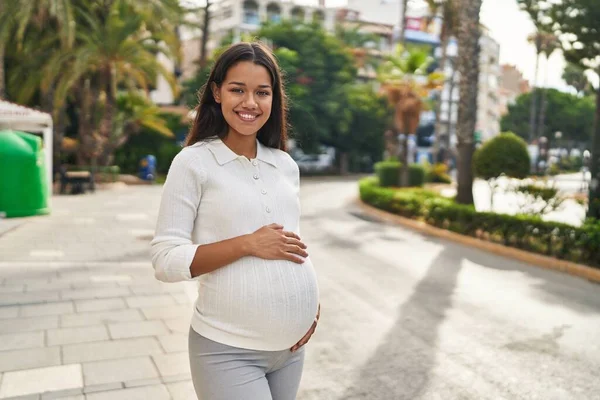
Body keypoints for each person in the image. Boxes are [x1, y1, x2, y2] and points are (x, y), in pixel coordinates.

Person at [150, 42, 320, 400]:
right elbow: (165, 260)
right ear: (216, 92)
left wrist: (309, 308)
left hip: (290, 350)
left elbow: (290, 245)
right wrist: (247, 243)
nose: (250, 103)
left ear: (274, 99)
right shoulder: (193, 163)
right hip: (228, 350)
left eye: (262, 92)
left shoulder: (285, 165)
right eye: (237, 90)